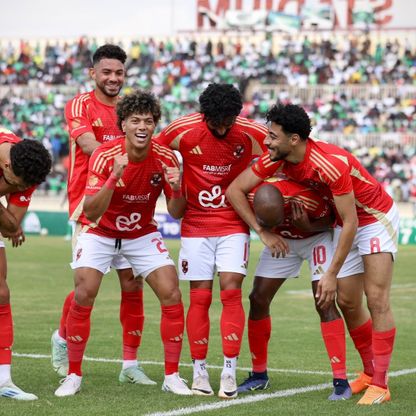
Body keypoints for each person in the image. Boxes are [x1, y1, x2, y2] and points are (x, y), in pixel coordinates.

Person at [226, 103, 399, 405]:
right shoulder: (275, 158)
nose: (266, 142)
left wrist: (330, 273)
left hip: (372, 218)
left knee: (376, 298)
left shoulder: (328, 163)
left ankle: (381, 385)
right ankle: (370, 373)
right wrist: (263, 230)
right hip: (342, 223)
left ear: (294, 140)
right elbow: (236, 189)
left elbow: (352, 222)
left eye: (272, 136)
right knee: (347, 301)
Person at [54, 90, 191, 397]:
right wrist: (113, 178)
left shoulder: (167, 157)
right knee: (85, 291)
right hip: (100, 231)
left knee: (171, 291)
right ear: (124, 125)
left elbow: (177, 212)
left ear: (155, 125)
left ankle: (171, 376)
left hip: (140, 233)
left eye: (148, 120)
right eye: (135, 120)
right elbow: (90, 211)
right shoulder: (105, 156)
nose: (142, 126)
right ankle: (73, 375)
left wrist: (177, 186)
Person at [51, 44, 155, 386]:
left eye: (119, 73)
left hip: (129, 208)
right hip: (90, 206)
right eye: (107, 72)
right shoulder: (80, 104)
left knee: (132, 283)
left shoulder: (130, 109)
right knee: (85, 287)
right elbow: (88, 146)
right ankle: (62, 337)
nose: (113, 78)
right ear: (93, 73)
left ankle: (130, 364)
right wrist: (122, 162)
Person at [155, 83, 268, 398]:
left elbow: (278, 151)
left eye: (227, 121)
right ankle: (200, 371)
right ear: (204, 114)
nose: (221, 127)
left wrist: (263, 190)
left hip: (233, 221)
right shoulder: (183, 129)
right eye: (215, 121)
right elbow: (156, 148)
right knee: (200, 298)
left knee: (231, 291)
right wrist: (171, 178)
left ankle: (229, 372)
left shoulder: (249, 131)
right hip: (195, 224)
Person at [237, 180, 351, 400]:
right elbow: (234, 194)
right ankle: (259, 375)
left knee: (324, 301)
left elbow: (332, 222)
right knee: (257, 298)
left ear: (284, 205)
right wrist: (263, 230)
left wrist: (309, 226)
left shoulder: (308, 199)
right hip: (281, 241)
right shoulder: (251, 195)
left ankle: (340, 381)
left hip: (314, 238)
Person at [0, 127, 52, 400]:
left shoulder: (25, 167)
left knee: (1, 294)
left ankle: (3, 380)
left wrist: (10, 223)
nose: (20, 189)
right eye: (17, 183)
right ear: (7, 164)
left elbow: (11, 225)